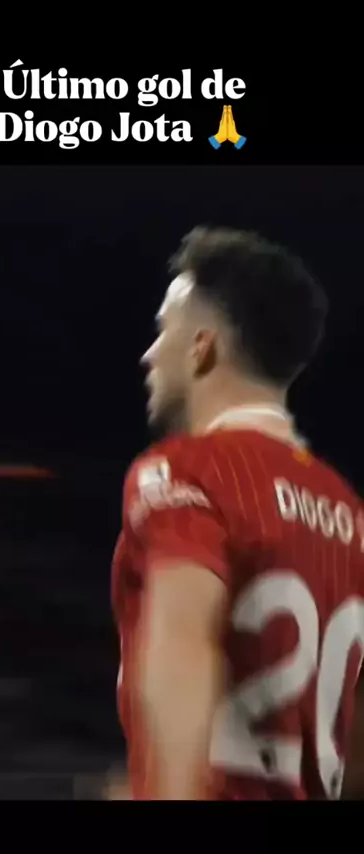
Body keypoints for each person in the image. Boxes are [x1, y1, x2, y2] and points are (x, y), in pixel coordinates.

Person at [110, 225, 364, 800]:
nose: (149, 355)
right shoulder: (350, 513)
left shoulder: (184, 472)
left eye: (163, 331)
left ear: (202, 348)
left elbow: (183, 648)